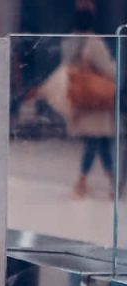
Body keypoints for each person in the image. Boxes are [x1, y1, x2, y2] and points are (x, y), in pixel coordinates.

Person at [64, 6, 117, 199]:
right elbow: (109, 70)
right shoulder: (95, 44)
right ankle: (82, 182)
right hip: (97, 101)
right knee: (95, 141)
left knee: (101, 142)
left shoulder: (69, 42)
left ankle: (111, 181)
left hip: (82, 98)